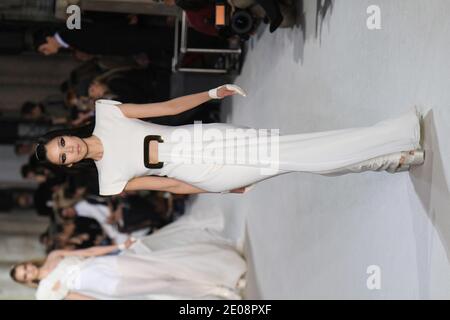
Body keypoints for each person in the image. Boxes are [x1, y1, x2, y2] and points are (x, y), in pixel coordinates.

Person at [34, 84, 425, 196]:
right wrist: (218, 190)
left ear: (67, 134)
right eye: (64, 157)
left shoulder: (108, 113)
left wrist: (209, 95)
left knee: (298, 154)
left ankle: (389, 157)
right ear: (69, 166)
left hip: (211, 138)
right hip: (207, 173)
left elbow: (169, 108)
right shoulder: (109, 181)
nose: (71, 149)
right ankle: (390, 151)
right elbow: (169, 185)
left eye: (63, 143)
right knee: (298, 159)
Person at [10, 215, 247, 300]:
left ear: (28, 263)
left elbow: (87, 252)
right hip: (107, 287)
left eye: (25, 267)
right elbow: (77, 298)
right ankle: (217, 291)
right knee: (164, 286)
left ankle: (223, 278)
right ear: (26, 281)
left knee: (164, 267)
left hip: (106, 264)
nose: (28, 271)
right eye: (24, 275)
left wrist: (118, 246)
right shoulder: (45, 294)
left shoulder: (53, 256)